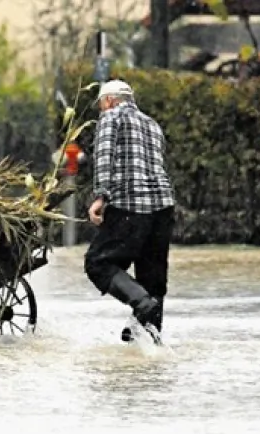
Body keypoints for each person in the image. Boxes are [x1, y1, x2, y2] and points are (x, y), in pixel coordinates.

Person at [82, 79, 175, 344]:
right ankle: (148, 340)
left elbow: (104, 156)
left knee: (98, 263)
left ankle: (142, 304)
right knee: (153, 278)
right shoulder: (152, 124)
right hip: (163, 209)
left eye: (101, 104)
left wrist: (100, 196)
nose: (102, 109)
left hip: (131, 206)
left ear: (109, 100)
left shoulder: (111, 117)